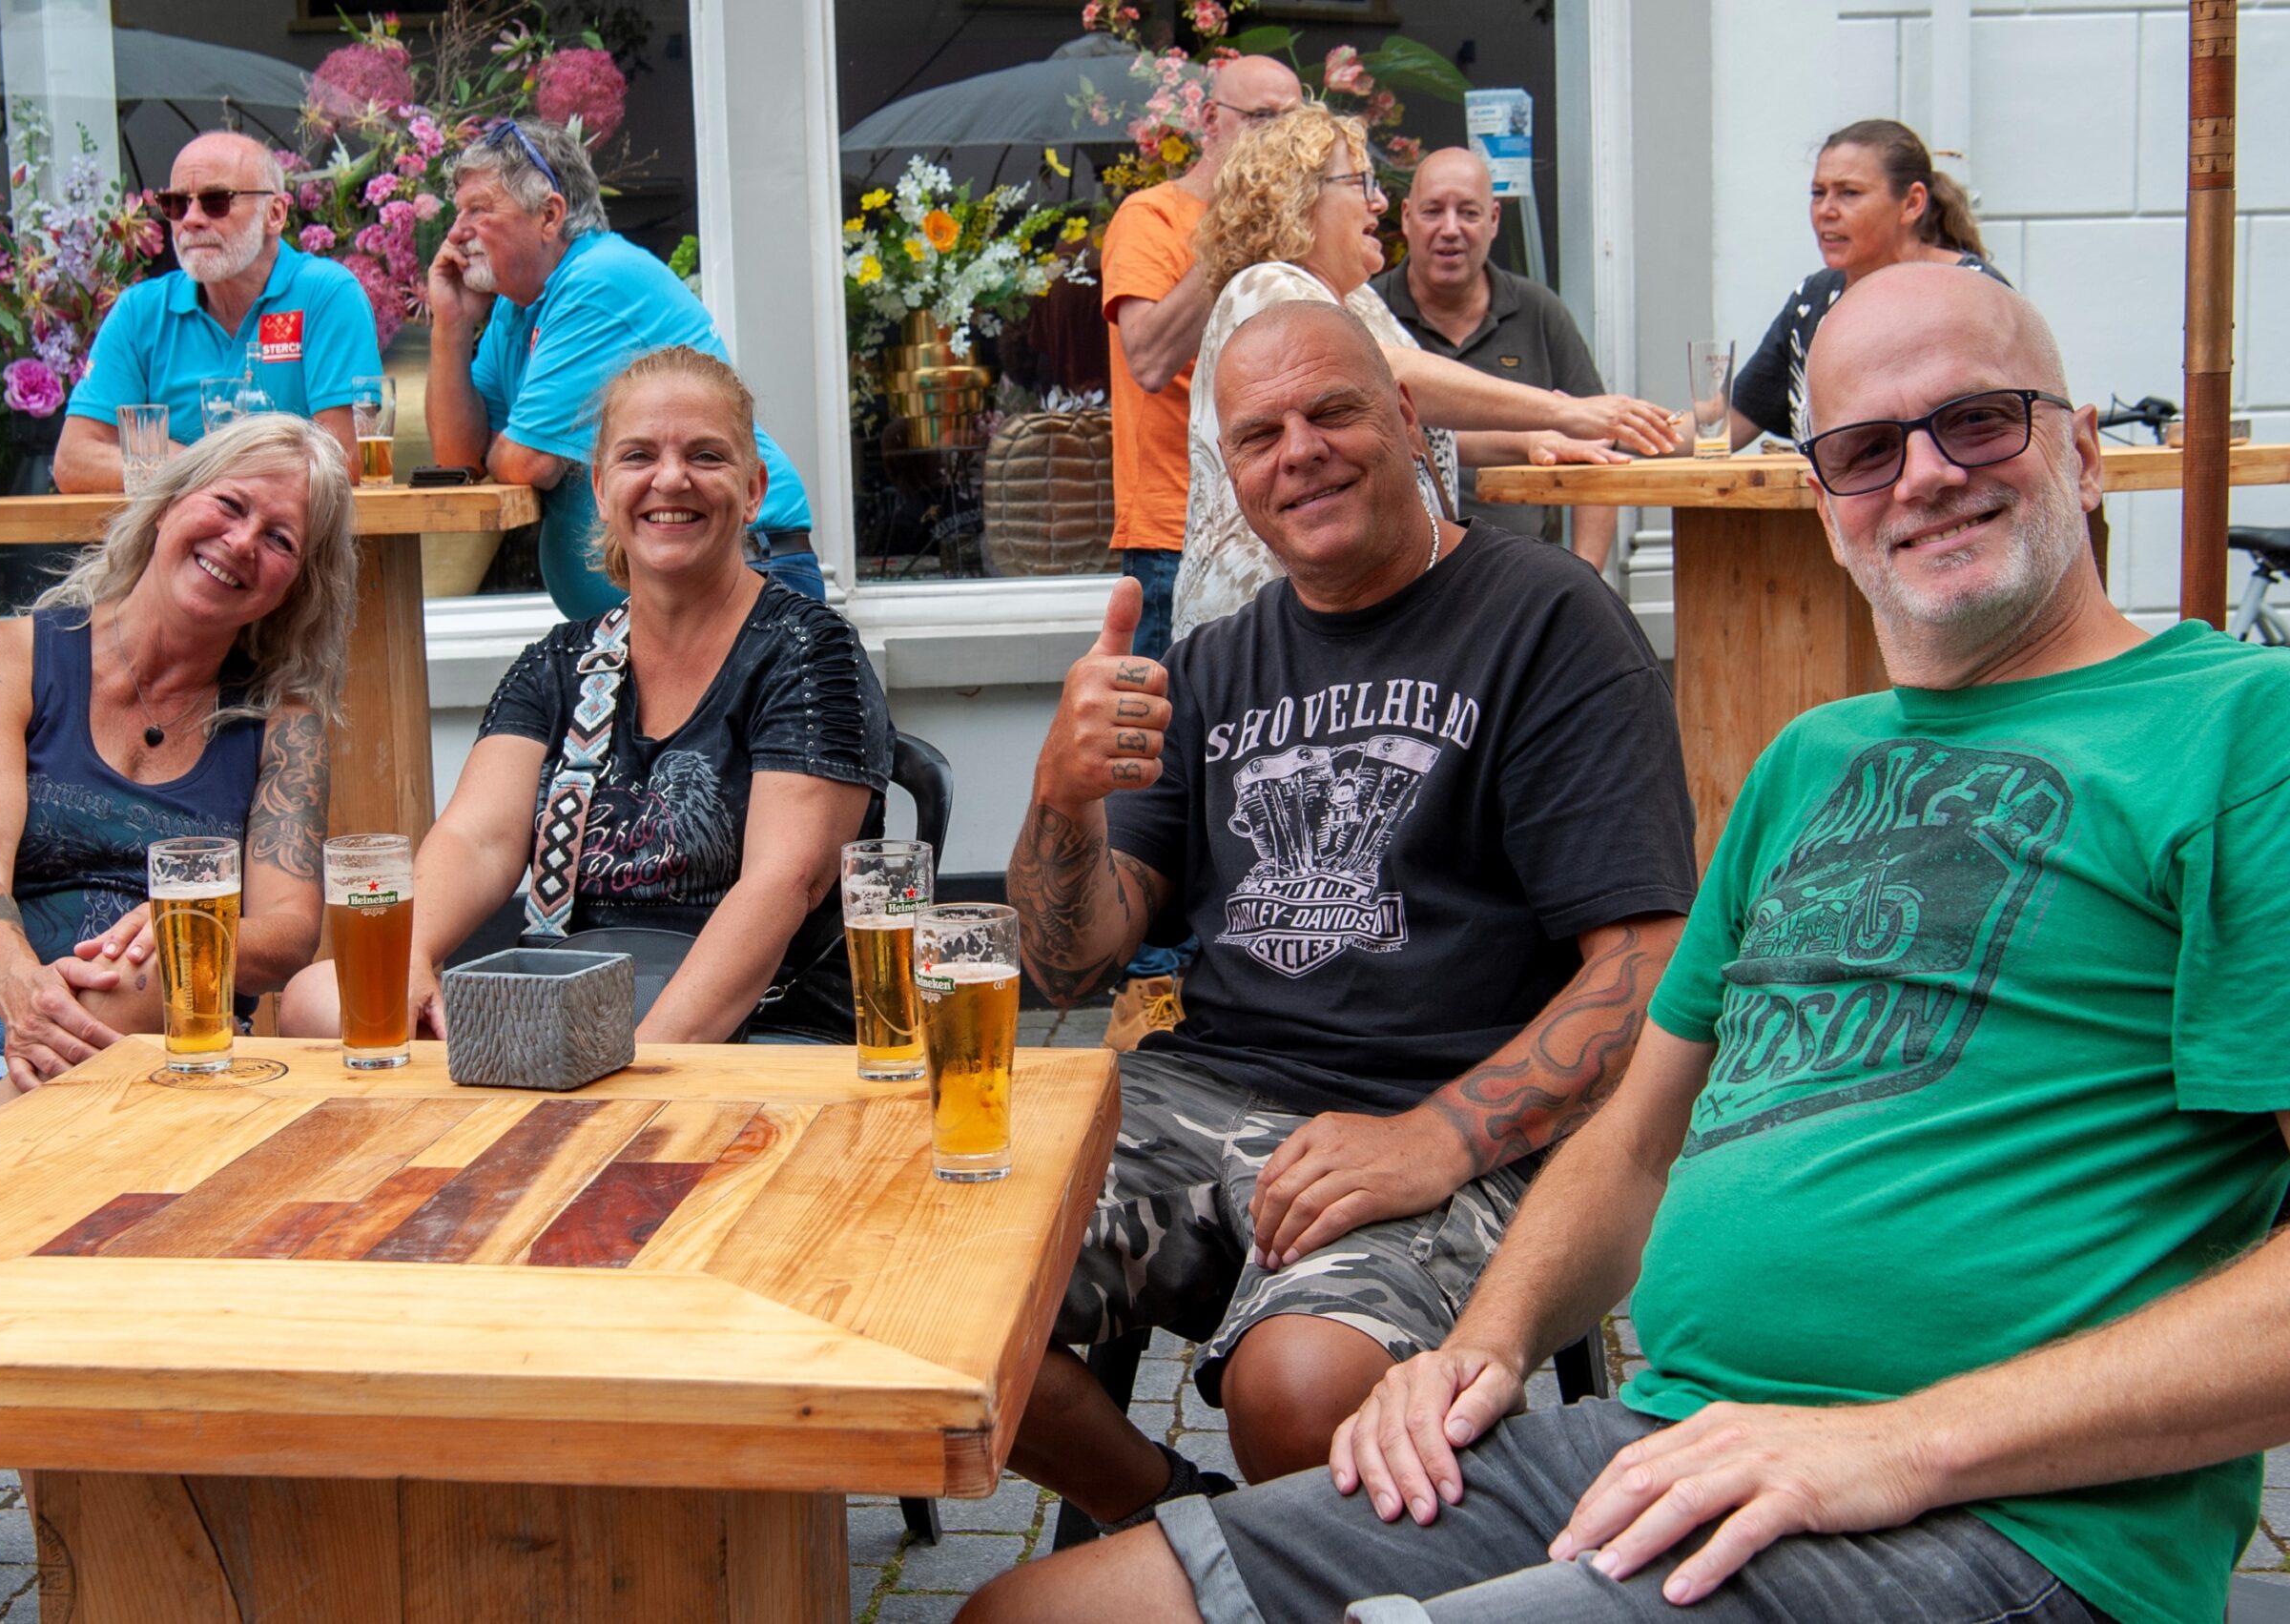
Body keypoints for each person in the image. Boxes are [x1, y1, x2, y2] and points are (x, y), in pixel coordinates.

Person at [965, 263, 2290, 1624]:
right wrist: (1476, 1352)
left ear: (2084, 452)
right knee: (1018, 1605)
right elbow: (1644, 1136)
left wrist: (1895, 1441)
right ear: (1827, 504)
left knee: (1308, 1409)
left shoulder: (2251, 728)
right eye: (1867, 449)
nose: (1928, 475)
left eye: (1981, 421)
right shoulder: (1809, 762)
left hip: (1992, 1509)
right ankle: (1161, 1498)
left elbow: (1625, 972)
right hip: (1668, 1440)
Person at [991, 298, 1698, 1539]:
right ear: (1234, 475)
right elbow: (1068, 961)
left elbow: (1647, 961)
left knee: (1301, 1388)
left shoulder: (1546, 621)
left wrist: (1431, 1137)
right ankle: (1181, 1530)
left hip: (1445, 1102)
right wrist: (1059, 794)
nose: (1299, 450)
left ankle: (1269, 1564)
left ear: (1409, 416)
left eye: (1333, 410)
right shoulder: (1212, 661)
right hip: (1200, 1086)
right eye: (1259, 434)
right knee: (949, 1286)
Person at [284, 346, 891, 1048]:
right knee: (321, 999)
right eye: (639, 456)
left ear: (753, 489)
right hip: (573, 1009)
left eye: (706, 455)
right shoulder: (560, 661)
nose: (671, 478)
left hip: (759, 1025)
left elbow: (781, 885)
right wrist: (412, 957)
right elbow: (477, 838)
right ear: (601, 488)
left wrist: (630, 1069)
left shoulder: (810, 652)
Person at [0, 416, 353, 1164]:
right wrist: (32, 1002)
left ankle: (7, 1173)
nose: (240, 543)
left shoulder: (281, 725)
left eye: (280, 539)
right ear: (169, 504)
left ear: (294, 588)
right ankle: (9, 1160)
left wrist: (181, 941)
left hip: (182, 1046)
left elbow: (290, 931)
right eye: (229, 506)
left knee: (160, 967)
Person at [1173, 108, 1681, 643]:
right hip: (1270, 630)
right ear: (1297, 197)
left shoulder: (1358, 301)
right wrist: (1566, 410)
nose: (1380, 202)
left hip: (1352, 618)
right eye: (1361, 182)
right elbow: (1383, 371)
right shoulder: (1266, 285)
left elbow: (1408, 421)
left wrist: (1535, 440)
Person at [1095, 53, 1302, 1053]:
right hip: (1177, 536)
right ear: (1210, 124)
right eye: (1259, 119)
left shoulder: (1303, 238)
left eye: (1290, 121)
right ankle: (1153, 1008)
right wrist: (1233, 238)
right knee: (1167, 771)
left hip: (1278, 538)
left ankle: (1247, 973)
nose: (1273, 139)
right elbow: (1145, 356)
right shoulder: (1152, 220)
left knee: (1267, 768)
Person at [424, 118, 819, 620]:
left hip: (743, 570)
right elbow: (460, 458)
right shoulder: (515, 308)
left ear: (550, 215)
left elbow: (529, 463)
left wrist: (508, 443)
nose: (457, 233)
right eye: (458, 213)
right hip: (667, 602)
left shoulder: (598, 280)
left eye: (479, 209)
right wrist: (451, 327)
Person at [56, 134, 380, 491]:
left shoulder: (326, 293)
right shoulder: (140, 310)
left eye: (215, 202)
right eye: (176, 204)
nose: (191, 220)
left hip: (300, 542)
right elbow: (74, 461)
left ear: (274, 214)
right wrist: (202, 467)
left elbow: (345, 460)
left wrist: (176, 464)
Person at [1372, 147, 1620, 573]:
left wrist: (1586, 578)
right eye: (1433, 212)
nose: (1450, 229)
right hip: (1404, 581)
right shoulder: (1371, 312)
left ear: (1495, 220)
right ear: (1407, 217)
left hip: (1529, 574)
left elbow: (1597, 452)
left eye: (1468, 213)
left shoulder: (1539, 311)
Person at [1729, 117, 2004, 447]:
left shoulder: (1973, 294)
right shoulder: (1813, 299)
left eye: (1849, 193)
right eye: (1818, 193)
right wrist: (1650, 427)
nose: (1826, 211)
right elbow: (1723, 430)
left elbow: (2007, 433)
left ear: (1913, 203)